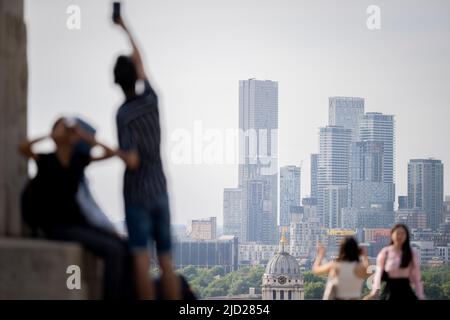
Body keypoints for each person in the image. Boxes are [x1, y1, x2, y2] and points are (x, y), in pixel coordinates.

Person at [19, 117, 133, 300]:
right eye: (63, 128)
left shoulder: (77, 161)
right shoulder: (46, 160)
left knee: (126, 247)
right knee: (114, 250)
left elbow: (112, 154)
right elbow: (23, 148)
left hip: (78, 223)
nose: (68, 131)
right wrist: (51, 135)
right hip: (57, 226)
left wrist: (86, 137)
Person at [113, 16, 181, 300]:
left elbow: (132, 161)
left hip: (137, 195)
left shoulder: (124, 114)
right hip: (160, 189)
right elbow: (141, 61)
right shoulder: (152, 100)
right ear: (138, 77)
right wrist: (124, 26)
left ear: (116, 82)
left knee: (142, 261)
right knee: (167, 262)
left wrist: (100, 147)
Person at [364, 224, 425, 300]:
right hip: (389, 291)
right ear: (392, 234)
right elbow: (378, 274)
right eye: (397, 233)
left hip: (406, 291)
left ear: (406, 236)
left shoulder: (411, 253)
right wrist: (374, 292)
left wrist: (420, 295)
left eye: (402, 233)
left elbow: (416, 278)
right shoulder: (385, 252)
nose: (400, 236)